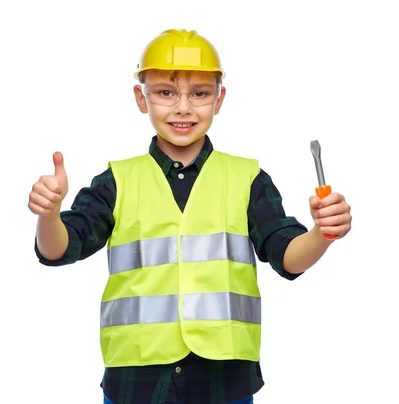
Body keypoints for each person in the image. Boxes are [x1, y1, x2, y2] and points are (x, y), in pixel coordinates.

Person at [28, 29, 352, 404]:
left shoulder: (247, 179)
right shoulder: (116, 181)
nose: (183, 107)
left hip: (224, 381)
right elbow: (60, 249)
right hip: (137, 380)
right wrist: (49, 216)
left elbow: (287, 256)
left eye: (199, 93)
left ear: (219, 99)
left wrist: (320, 233)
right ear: (141, 97)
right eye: (166, 92)